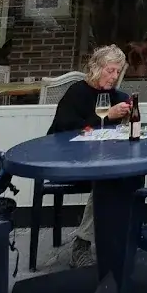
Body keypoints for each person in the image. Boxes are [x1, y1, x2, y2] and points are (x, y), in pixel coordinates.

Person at [48, 45, 129, 268]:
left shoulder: (114, 96)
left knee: (128, 175)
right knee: (108, 177)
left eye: (117, 72)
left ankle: (120, 239)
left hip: (99, 159)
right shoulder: (77, 93)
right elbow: (65, 132)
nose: (114, 77)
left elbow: (114, 133)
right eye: (110, 70)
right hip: (69, 160)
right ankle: (82, 244)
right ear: (96, 68)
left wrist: (126, 117)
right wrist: (105, 116)